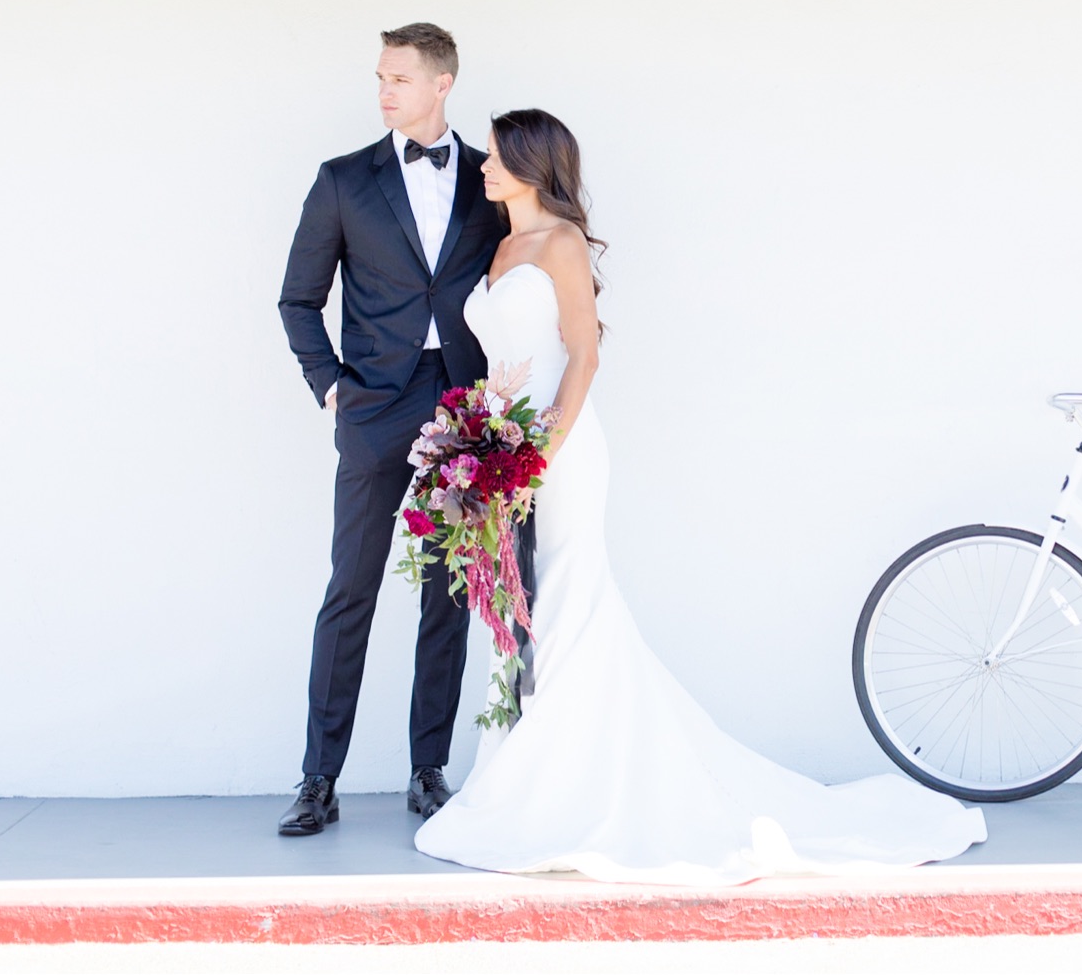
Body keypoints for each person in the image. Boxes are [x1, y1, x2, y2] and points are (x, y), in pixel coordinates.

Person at [412, 108, 987, 883]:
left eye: (494, 155)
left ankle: (573, 784)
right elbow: (504, 357)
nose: (483, 165)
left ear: (530, 163)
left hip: (562, 449)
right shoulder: (502, 246)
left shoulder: (561, 243)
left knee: (569, 600)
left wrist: (539, 449)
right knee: (517, 605)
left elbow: (582, 356)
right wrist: (480, 444)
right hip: (502, 448)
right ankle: (522, 776)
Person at [275, 23, 533, 836]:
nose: (384, 91)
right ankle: (319, 778)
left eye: (399, 77)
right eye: (380, 77)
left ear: (442, 83)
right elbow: (297, 298)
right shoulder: (344, 180)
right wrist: (331, 390)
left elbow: (520, 271)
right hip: (374, 404)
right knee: (350, 588)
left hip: (462, 404)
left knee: (449, 593)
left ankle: (429, 770)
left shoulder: (488, 181)